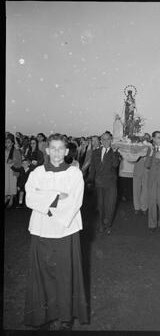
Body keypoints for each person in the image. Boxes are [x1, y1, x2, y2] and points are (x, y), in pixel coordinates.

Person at [24, 133, 88, 330]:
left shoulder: (74, 174)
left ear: (67, 151)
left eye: (61, 148)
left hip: (65, 230)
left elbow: (75, 201)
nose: (57, 153)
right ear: (47, 150)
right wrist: (55, 196)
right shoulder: (37, 173)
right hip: (41, 230)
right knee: (43, 273)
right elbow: (30, 199)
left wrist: (46, 200)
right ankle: (45, 314)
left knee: (64, 273)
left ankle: (64, 316)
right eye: (54, 148)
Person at [88, 132, 121, 234]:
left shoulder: (115, 152)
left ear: (111, 140)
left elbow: (115, 165)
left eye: (108, 139)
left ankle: (108, 225)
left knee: (110, 205)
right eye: (103, 139)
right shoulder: (96, 152)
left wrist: (115, 152)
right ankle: (101, 224)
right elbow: (92, 167)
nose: (106, 141)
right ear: (101, 141)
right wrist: (90, 180)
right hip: (99, 183)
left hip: (111, 184)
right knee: (100, 205)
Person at [133, 133, 151, 214]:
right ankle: (137, 207)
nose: (145, 139)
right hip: (137, 169)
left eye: (147, 138)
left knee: (145, 190)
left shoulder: (151, 147)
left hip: (147, 170)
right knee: (136, 189)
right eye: (144, 137)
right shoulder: (138, 146)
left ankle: (144, 208)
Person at [5, 134, 22, 208]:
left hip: (12, 170)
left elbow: (19, 161)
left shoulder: (16, 151)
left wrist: (13, 161)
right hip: (5, 170)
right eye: (6, 142)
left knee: (12, 184)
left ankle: (11, 199)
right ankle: (6, 198)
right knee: (5, 184)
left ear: (12, 143)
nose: (7, 143)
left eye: (8, 142)